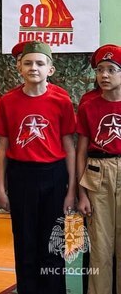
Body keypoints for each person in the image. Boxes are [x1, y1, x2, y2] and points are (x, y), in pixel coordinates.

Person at [0, 41, 76, 294]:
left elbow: (69, 147)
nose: (33, 68)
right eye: (28, 62)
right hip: (21, 177)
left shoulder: (61, 100)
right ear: (19, 67)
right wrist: (0, 186)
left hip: (53, 175)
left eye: (40, 63)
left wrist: (71, 189)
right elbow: (2, 147)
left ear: (50, 69)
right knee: (25, 243)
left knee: (53, 244)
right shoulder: (7, 101)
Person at [76, 44, 121, 294]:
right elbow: (81, 151)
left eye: (111, 70)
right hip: (98, 174)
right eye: (100, 70)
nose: (104, 75)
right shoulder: (88, 106)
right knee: (100, 247)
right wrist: (81, 193)